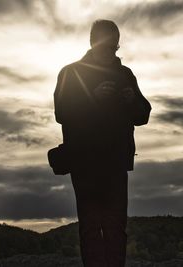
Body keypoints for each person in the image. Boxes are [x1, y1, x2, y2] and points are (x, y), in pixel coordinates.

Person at [53, 19, 151, 267]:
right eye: (106, 46)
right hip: (84, 163)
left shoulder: (125, 74)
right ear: (92, 42)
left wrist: (131, 101)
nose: (110, 51)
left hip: (115, 164)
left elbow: (144, 114)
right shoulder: (70, 73)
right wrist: (92, 99)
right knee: (90, 228)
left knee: (116, 228)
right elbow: (61, 113)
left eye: (113, 47)